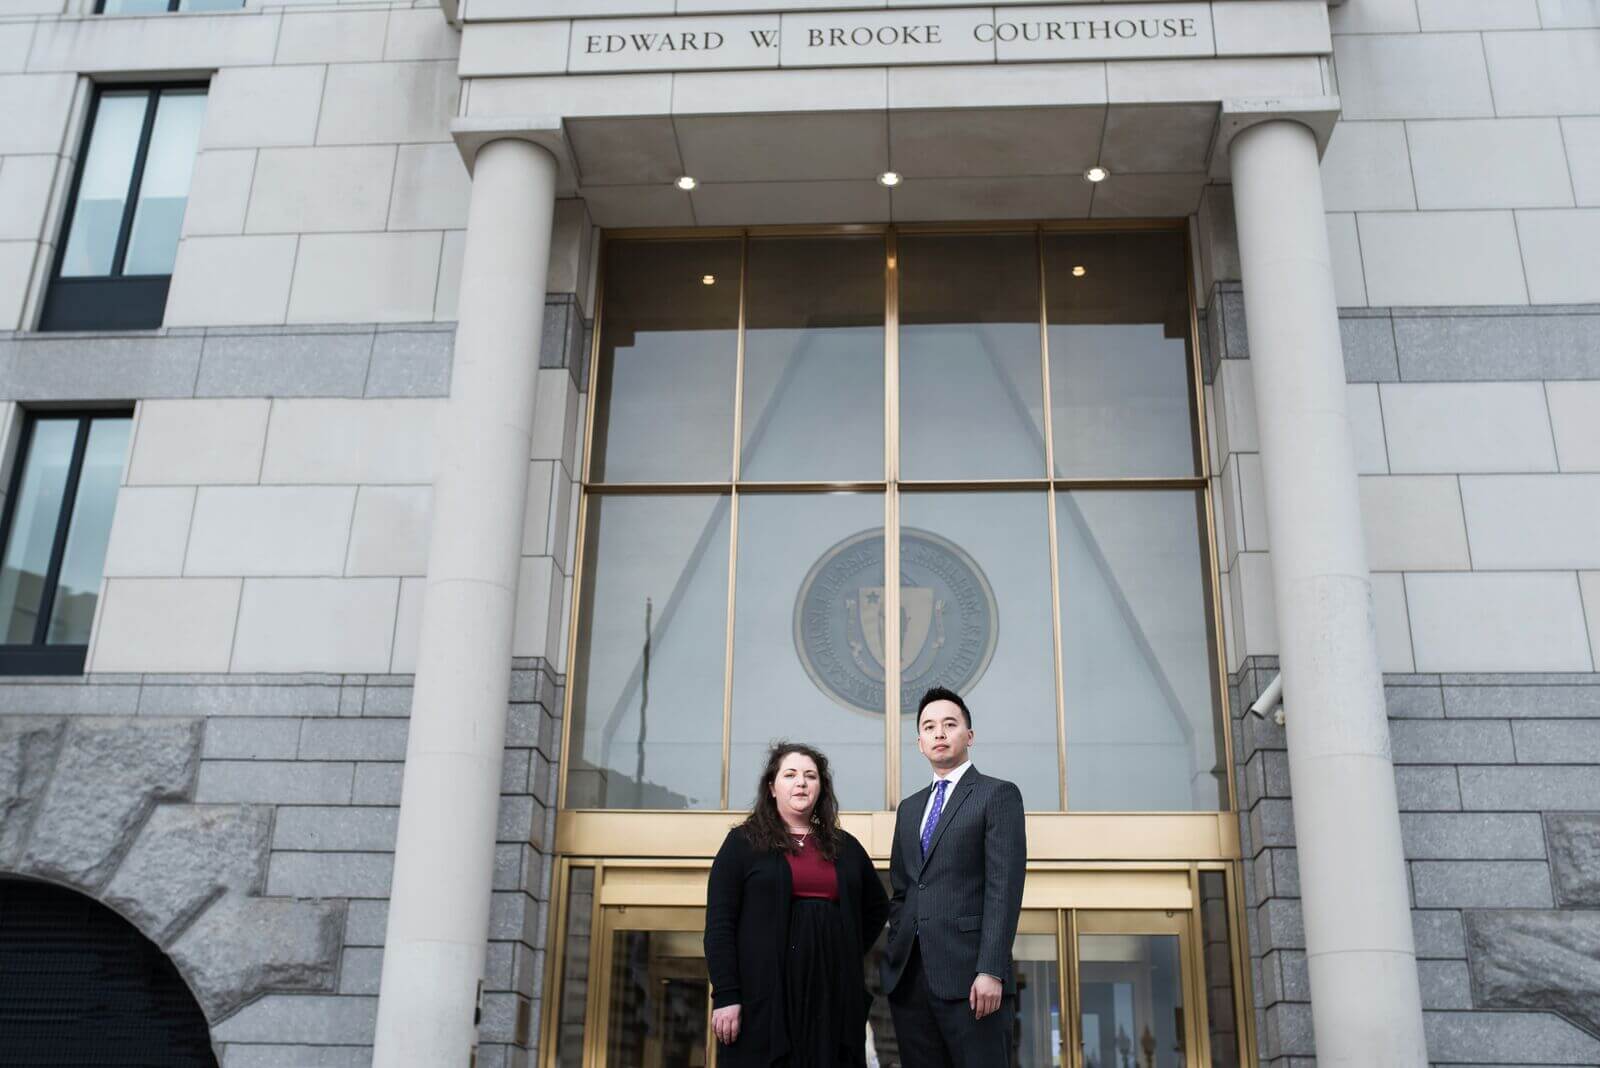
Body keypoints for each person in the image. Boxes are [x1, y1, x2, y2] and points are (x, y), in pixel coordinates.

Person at [705, 741, 889, 1067]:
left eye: (810, 776)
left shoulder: (846, 848)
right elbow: (720, 925)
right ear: (772, 787)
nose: (801, 782)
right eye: (790, 774)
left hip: (832, 997)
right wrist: (726, 994)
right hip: (764, 998)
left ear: (821, 788)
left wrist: (840, 946)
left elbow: (876, 907)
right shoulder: (742, 844)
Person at [881, 686, 1027, 1068]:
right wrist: (897, 945)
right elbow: (902, 889)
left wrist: (991, 968)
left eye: (950, 724)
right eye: (929, 727)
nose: (939, 733)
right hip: (911, 981)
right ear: (919, 742)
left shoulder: (998, 795)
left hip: (973, 981)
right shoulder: (910, 809)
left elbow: (1003, 889)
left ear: (970, 736)